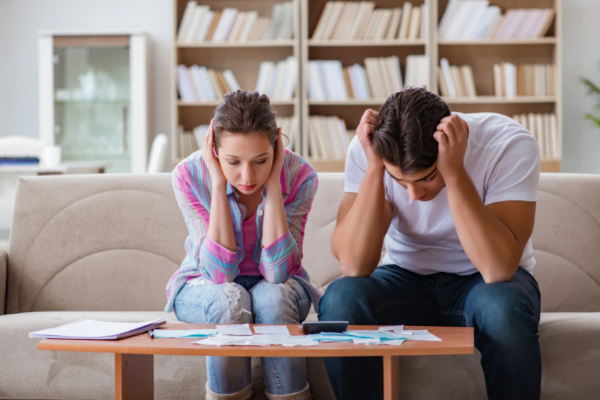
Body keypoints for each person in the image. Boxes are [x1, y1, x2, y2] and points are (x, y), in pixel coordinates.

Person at [318, 87, 542, 400]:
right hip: (404, 279)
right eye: (400, 181)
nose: (414, 195)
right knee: (340, 298)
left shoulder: (507, 143)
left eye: (426, 177)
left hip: (485, 283)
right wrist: (374, 169)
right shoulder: (371, 149)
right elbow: (355, 265)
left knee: (501, 310)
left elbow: (497, 268)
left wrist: (454, 172)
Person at [165, 90, 320, 400]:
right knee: (230, 299)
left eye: (260, 161)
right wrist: (218, 183)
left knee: (271, 300)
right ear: (213, 148)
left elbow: (278, 272)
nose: (247, 176)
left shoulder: (301, 176)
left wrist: (274, 185)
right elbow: (218, 275)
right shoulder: (188, 175)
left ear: (276, 146)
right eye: (233, 162)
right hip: (203, 284)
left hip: (281, 287)